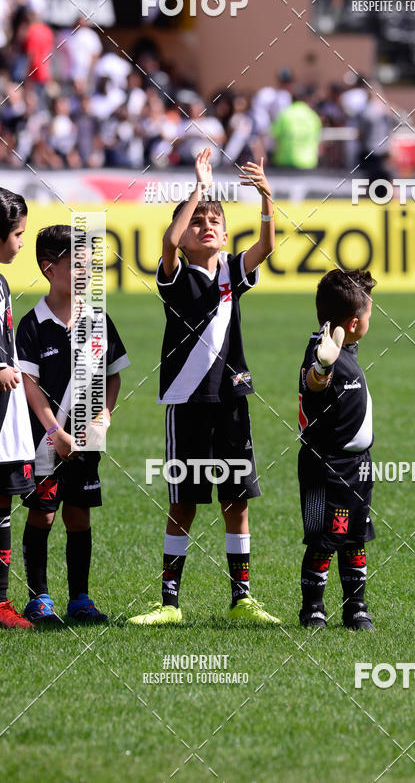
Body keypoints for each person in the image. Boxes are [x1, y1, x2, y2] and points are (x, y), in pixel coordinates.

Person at [127, 148, 280, 626]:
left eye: (214, 220)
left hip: (231, 400)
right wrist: (198, 188)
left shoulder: (233, 270)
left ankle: (242, 599)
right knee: (183, 503)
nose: (206, 226)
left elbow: (267, 248)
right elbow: (170, 243)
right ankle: (169, 602)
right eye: (198, 222)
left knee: (237, 502)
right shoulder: (174, 274)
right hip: (186, 401)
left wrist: (266, 200)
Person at [16, 225, 130, 624]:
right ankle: (39, 598)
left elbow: (114, 374)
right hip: (46, 443)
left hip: (85, 442)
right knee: (43, 514)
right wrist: (54, 431)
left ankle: (80, 599)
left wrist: (106, 414)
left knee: (79, 514)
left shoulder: (98, 320)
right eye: (77, 264)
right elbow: (28, 385)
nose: (86, 272)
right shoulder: (31, 325)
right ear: (49, 268)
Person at [297, 268, 377, 630]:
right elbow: (314, 384)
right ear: (356, 322)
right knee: (325, 540)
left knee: (355, 539)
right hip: (326, 466)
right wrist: (322, 365)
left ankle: (355, 606)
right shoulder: (322, 353)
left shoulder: (345, 345)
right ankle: (313, 608)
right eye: (370, 314)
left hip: (357, 467)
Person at [0, 188, 35, 628]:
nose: (21, 243)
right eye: (18, 234)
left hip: (6, 415)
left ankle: (2, 601)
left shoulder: (3, 282)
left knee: (3, 506)